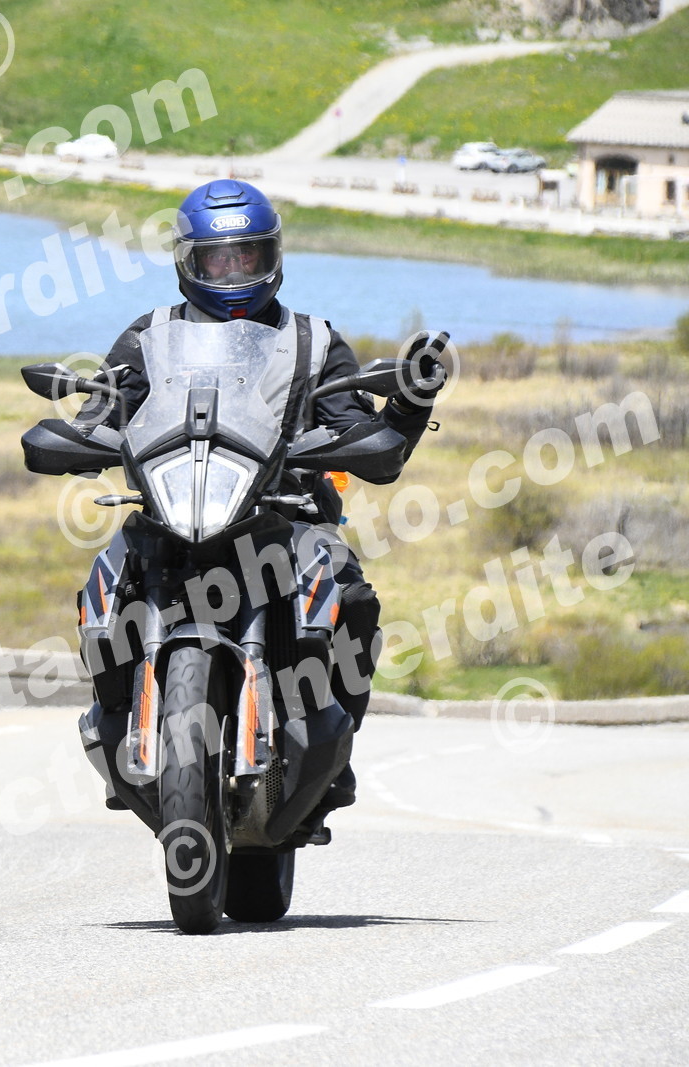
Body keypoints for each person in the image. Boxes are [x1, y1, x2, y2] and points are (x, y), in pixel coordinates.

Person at [84, 179, 445, 810]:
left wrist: (408, 407)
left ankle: (334, 751)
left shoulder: (314, 341)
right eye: (217, 260)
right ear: (189, 262)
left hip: (287, 518)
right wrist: (81, 430)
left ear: (271, 256)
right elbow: (102, 407)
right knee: (107, 587)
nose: (232, 272)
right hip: (171, 511)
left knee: (351, 596)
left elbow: (360, 430)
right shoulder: (149, 336)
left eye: (246, 256)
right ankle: (118, 718)